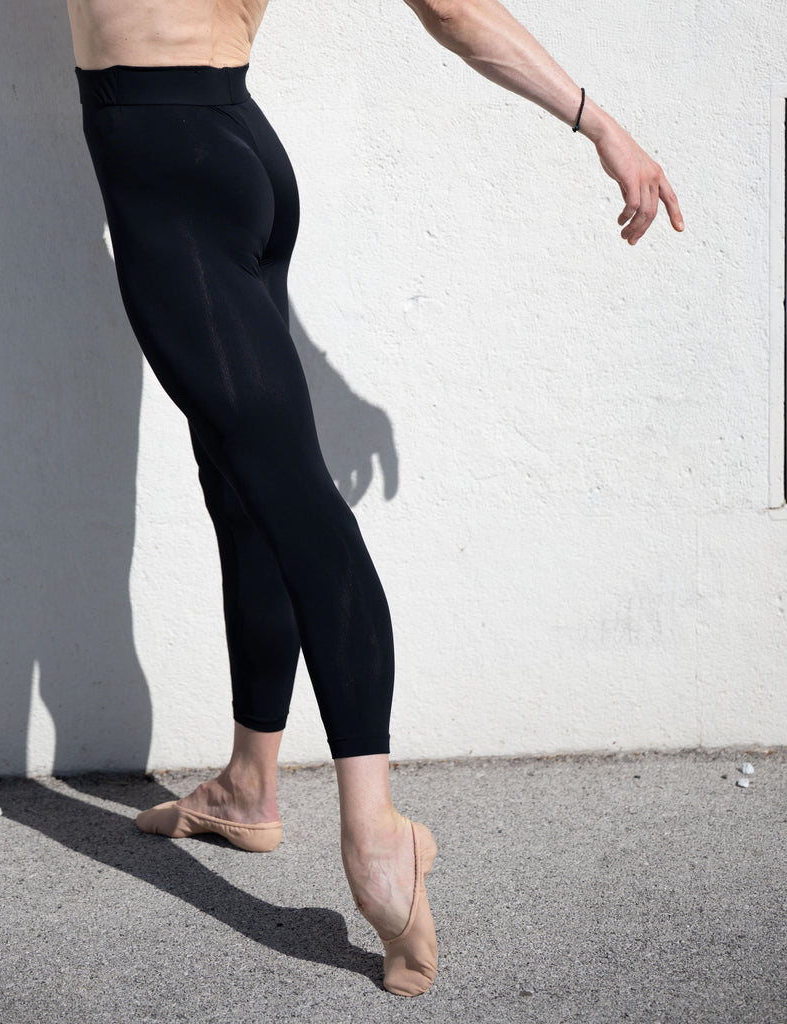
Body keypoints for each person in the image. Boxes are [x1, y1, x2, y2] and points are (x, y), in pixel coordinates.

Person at [65, 0, 683, 997]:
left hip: (165, 168)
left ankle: (375, 837)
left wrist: (598, 121)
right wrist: (598, 122)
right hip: (233, 151)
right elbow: (452, 8)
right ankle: (250, 785)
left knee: (289, 499)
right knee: (241, 483)